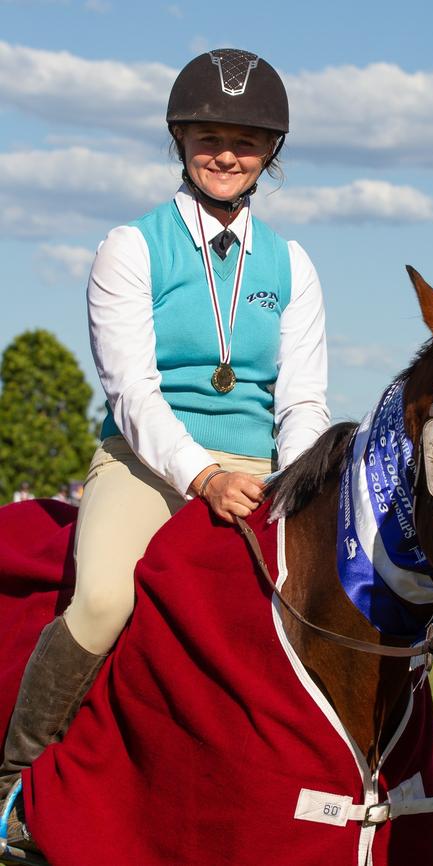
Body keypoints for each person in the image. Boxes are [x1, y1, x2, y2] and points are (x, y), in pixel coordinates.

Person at [0, 48, 329, 844]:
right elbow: (132, 392)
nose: (226, 153)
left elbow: (304, 399)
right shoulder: (131, 246)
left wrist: (300, 485)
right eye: (209, 135)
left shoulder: (294, 264)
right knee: (106, 598)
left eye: (246, 142)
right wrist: (204, 475)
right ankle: (15, 781)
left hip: (260, 469)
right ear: (181, 139)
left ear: (271, 155)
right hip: (145, 462)